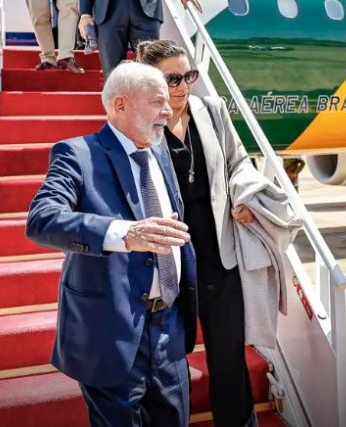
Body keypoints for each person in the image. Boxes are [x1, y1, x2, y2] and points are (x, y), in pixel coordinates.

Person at [26, 61, 198, 426]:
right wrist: (124, 234)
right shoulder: (77, 154)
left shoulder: (160, 152)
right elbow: (42, 220)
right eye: (157, 102)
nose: (169, 111)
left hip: (168, 330)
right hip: (110, 334)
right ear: (120, 105)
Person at [136, 40, 258, 427]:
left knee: (228, 356)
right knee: (168, 364)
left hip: (219, 255)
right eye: (172, 78)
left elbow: (239, 161)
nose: (183, 85)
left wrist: (244, 195)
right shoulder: (140, 121)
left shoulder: (212, 110)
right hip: (169, 263)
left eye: (188, 75)